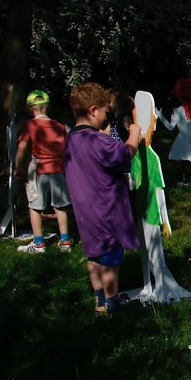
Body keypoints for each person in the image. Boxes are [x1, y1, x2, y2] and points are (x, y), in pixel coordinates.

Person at [63, 82, 141, 314]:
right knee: (109, 260)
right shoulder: (97, 141)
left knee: (93, 256)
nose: (106, 118)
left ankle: (99, 300)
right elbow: (123, 157)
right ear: (93, 110)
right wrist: (134, 136)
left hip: (84, 211)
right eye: (105, 113)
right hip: (105, 209)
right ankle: (113, 305)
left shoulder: (73, 139)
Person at [15, 90, 73, 253]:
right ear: (47, 107)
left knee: (35, 207)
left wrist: (18, 167)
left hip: (38, 170)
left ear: (29, 109)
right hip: (59, 170)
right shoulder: (60, 127)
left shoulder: (30, 125)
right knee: (60, 207)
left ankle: (39, 243)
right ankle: (65, 241)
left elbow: (21, 148)